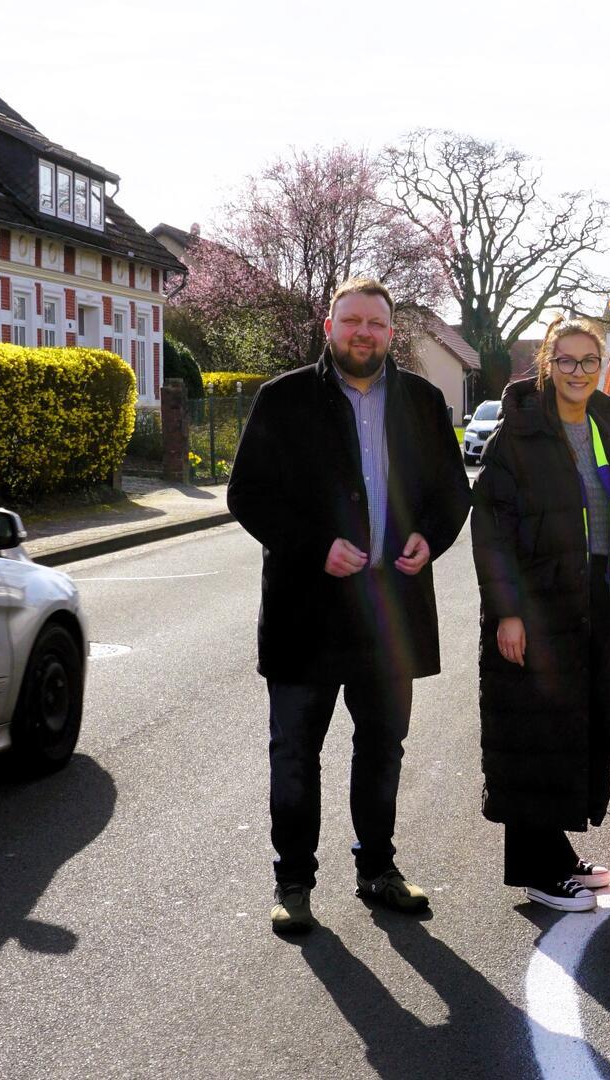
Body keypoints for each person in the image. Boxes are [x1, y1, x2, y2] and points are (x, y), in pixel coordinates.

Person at [227, 277, 471, 935]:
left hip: (388, 615)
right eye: (352, 321)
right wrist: (315, 548)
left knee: (382, 751)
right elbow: (247, 496)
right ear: (330, 326)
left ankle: (378, 870)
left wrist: (431, 535)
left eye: (376, 324)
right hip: (305, 614)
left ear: (392, 335)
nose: (364, 333)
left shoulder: (423, 401)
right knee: (294, 754)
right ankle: (294, 883)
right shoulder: (283, 399)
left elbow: (453, 494)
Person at [471, 317, 610, 912]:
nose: (577, 372)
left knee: (574, 727)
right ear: (547, 365)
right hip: (535, 607)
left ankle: (557, 853)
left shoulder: (607, 430)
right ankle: (536, 870)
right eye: (565, 361)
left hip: (594, 602)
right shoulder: (517, 433)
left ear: (602, 366)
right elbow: (491, 531)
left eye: (588, 361)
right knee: (533, 732)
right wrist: (506, 614)